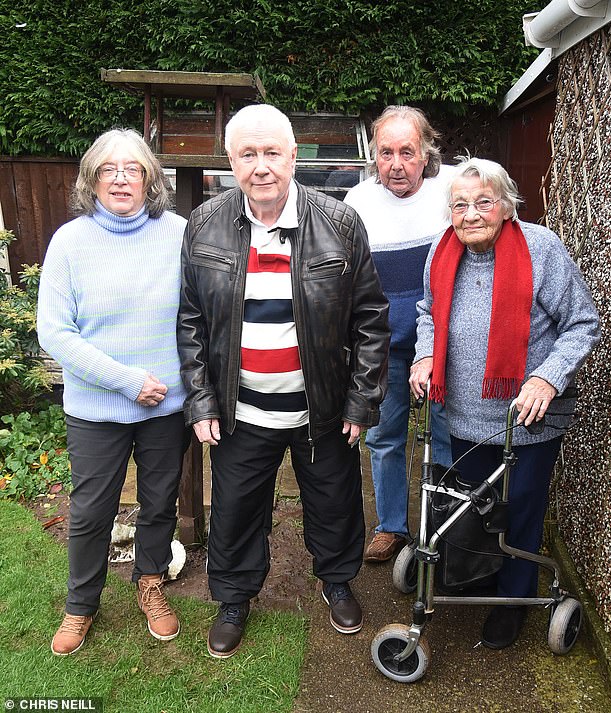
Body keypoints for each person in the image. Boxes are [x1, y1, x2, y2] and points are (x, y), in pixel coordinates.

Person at [177, 104, 390, 659]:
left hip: (320, 408)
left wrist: (361, 400)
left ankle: (337, 581)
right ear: (230, 161)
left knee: (334, 502)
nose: (261, 166)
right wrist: (201, 401)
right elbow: (192, 319)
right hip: (239, 409)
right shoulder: (204, 224)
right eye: (247, 154)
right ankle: (233, 597)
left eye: (272, 152)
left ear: (293, 156)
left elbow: (369, 317)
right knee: (235, 510)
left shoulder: (339, 223)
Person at [409, 156, 600, 649]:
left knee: (521, 512)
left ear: (507, 205)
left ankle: (513, 602)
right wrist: (424, 357)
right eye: (459, 205)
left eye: (483, 202)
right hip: (464, 415)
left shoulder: (541, 249)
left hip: (527, 419)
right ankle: (479, 578)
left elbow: (582, 322)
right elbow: (428, 311)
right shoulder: (442, 249)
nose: (470, 214)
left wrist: (547, 378)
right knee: (474, 506)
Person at [37, 128, 189, 656]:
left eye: (133, 168)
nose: (121, 177)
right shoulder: (70, 241)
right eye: (109, 169)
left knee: (158, 502)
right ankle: (81, 604)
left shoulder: (178, 233)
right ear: (91, 180)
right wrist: (128, 381)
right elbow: (55, 331)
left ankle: (150, 583)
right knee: (92, 509)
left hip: (167, 405)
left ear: (151, 179)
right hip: (97, 407)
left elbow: (198, 315)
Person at [344, 105, 454, 563]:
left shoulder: (453, 190)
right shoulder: (358, 201)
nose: (396, 165)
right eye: (385, 153)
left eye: (406, 152)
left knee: (448, 429)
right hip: (383, 341)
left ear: (426, 152)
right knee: (384, 435)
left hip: (445, 337)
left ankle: (449, 525)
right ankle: (392, 527)